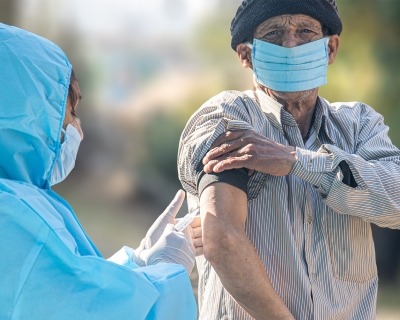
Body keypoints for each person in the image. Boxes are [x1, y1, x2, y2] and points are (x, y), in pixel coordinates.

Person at [178, 0, 400, 319]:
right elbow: (223, 238)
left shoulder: (360, 124)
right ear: (246, 54)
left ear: (330, 48)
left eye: (306, 31)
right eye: (274, 33)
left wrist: (297, 161)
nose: (291, 44)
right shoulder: (227, 119)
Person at [0, 23, 200, 319]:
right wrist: (165, 275)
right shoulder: (11, 214)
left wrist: (140, 261)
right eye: (70, 113)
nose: (77, 130)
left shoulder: (18, 198)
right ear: (25, 113)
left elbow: (67, 291)